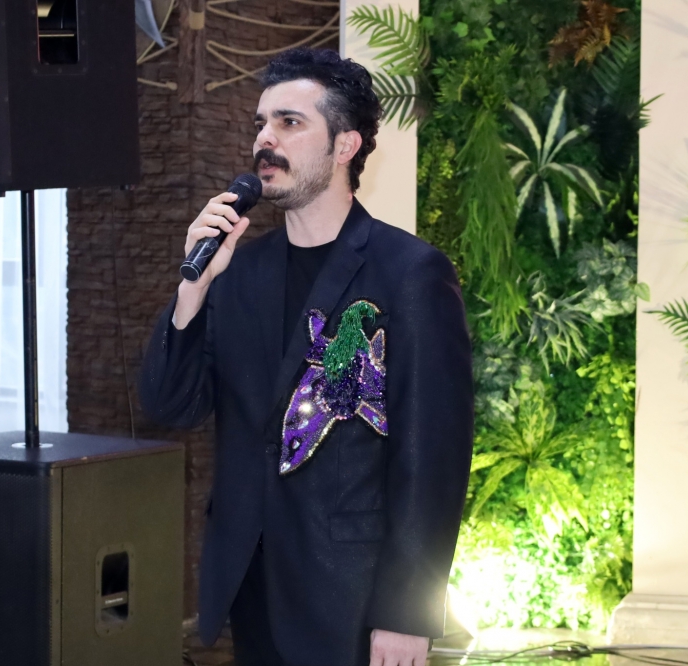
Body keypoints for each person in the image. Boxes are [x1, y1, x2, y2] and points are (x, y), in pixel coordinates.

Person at [140, 49, 474, 666]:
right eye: (261, 123)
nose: (265, 139)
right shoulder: (239, 272)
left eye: (289, 122)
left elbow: (432, 459)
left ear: (345, 145)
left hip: (349, 592)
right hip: (249, 582)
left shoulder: (409, 273)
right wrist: (194, 286)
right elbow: (170, 404)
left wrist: (406, 612)